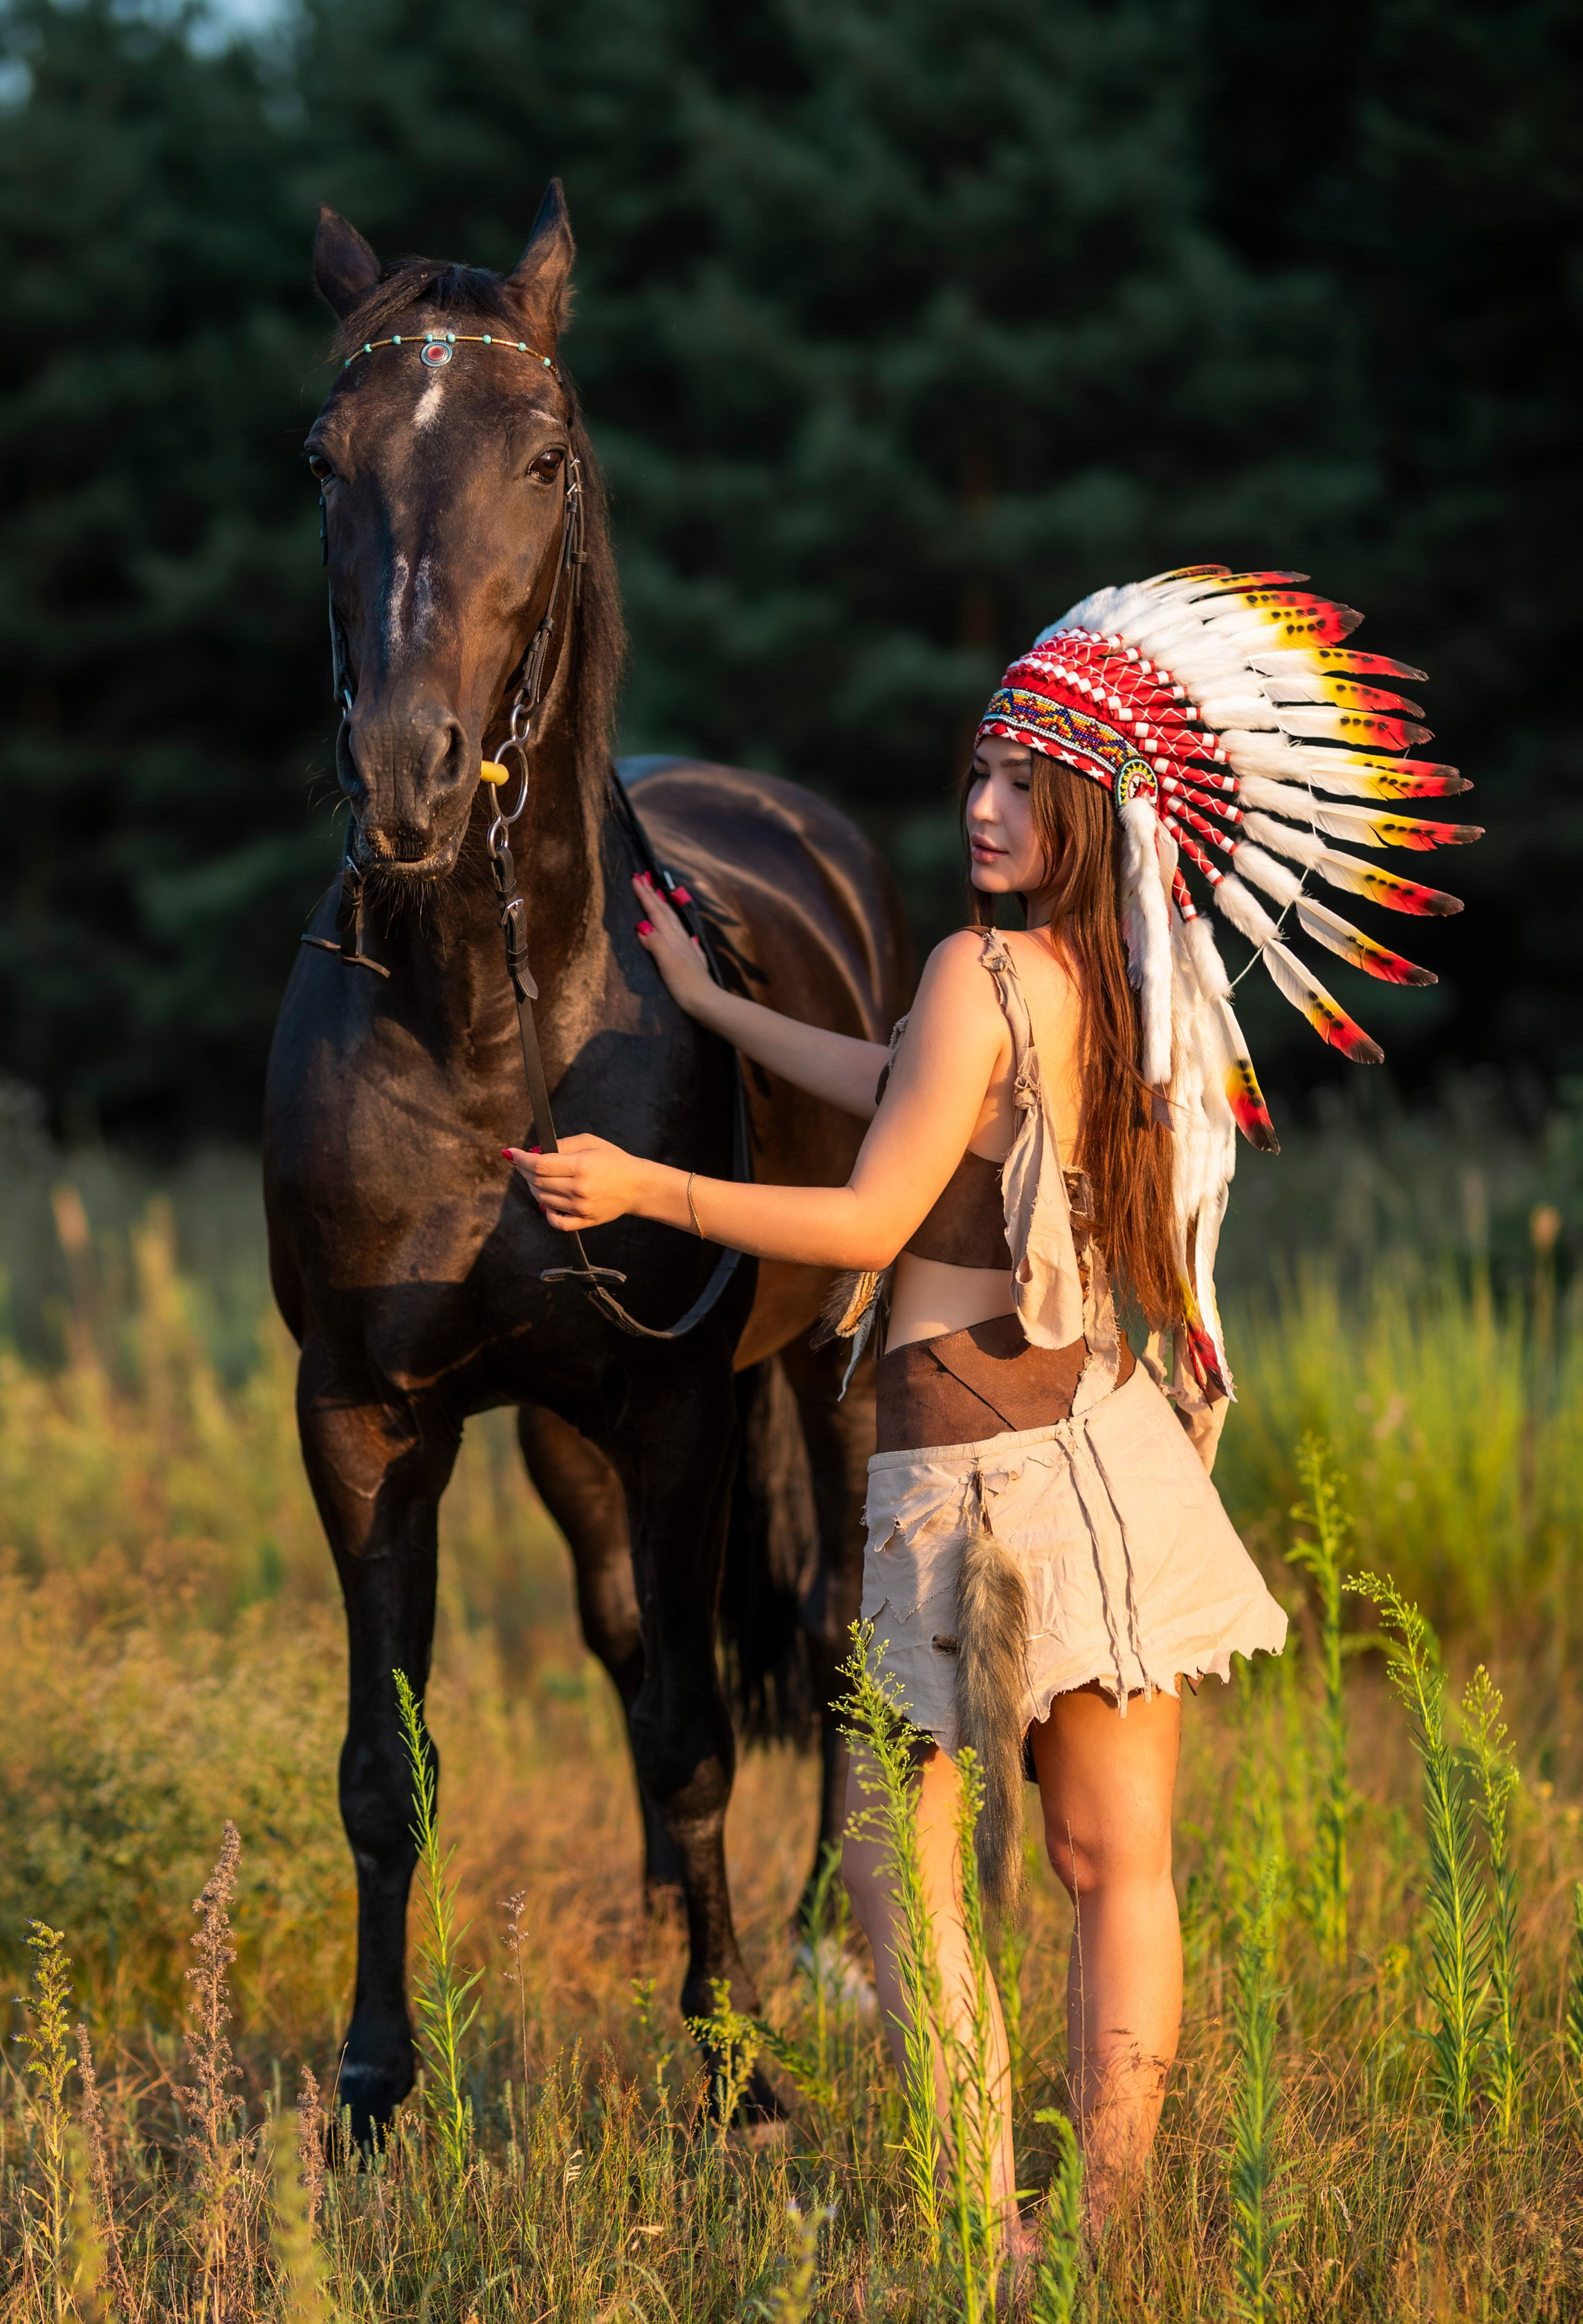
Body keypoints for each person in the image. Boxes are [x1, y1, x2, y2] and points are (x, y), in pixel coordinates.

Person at [509, 564, 1471, 2234]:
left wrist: (639, 1186)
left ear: (1101, 804)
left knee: (894, 1869)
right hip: (1109, 1452)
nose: (983, 806)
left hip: (969, 1479)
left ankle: (978, 2224)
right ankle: (1090, 2235)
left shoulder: (977, 967)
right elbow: (906, 1089)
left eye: (1027, 782)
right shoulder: (1129, 987)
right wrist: (721, 1005)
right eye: (979, 773)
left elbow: (872, 1220)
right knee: (1118, 1872)